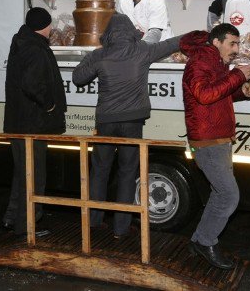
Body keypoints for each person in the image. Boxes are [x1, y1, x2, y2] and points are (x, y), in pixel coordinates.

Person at [72, 13, 181, 238]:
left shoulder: (100, 54)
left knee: (100, 170)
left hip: (106, 122)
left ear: (108, 33)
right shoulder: (143, 50)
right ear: (131, 30)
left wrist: (91, 57)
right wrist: (200, 35)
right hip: (132, 122)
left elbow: (78, 78)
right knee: (128, 172)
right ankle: (121, 228)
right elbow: (172, 44)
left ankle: (93, 222)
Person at [180, 23, 250, 269]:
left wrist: (242, 91)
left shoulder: (216, 63)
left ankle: (197, 241)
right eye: (232, 43)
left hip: (219, 137)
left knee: (219, 193)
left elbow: (217, 95)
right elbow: (203, 95)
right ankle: (205, 242)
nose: (236, 49)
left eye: (238, 43)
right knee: (228, 195)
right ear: (216, 42)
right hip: (207, 140)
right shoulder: (199, 62)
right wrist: (238, 75)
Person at [3, 7, 67, 237]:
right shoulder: (35, 49)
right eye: (50, 25)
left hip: (21, 123)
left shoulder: (22, 43)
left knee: (22, 174)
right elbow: (32, 84)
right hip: (33, 124)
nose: (52, 29)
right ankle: (26, 226)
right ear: (45, 26)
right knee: (34, 176)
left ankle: (13, 218)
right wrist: (49, 104)